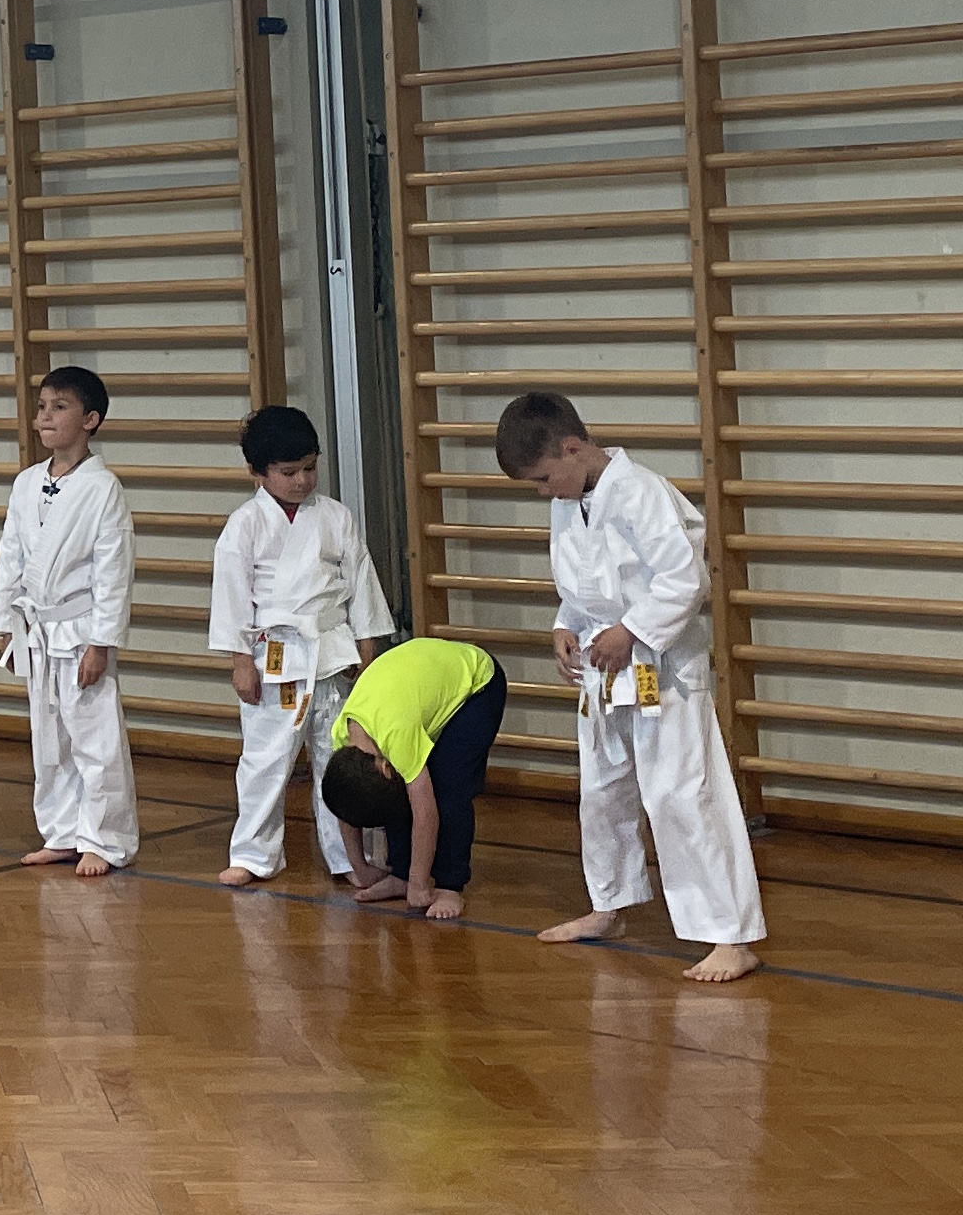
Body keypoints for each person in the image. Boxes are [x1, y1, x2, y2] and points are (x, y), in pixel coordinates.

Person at [497, 391, 769, 984]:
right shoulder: (572, 499)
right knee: (602, 792)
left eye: (545, 478)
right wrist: (564, 626)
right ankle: (609, 905)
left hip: (660, 666)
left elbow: (684, 578)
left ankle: (729, 934)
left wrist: (633, 629)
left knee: (680, 793)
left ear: (574, 448)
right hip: (604, 664)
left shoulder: (641, 491)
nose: (545, 492)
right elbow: (579, 582)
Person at [209, 405, 395, 889]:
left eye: (310, 467)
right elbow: (231, 598)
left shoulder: (335, 516)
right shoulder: (244, 525)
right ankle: (254, 853)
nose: (302, 480)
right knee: (265, 759)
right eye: (288, 472)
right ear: (256, 472)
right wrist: (239, 663)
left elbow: (362, 586)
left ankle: (348, 858)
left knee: (340, 760)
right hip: (275, 657)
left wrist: (368, 652)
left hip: (333, 654)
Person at [0, 364, 134, 877]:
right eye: (42, 406)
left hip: (81, 629)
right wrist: (6, 624)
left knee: (95, 740)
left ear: (91, 419)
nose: (45, 416)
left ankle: (106, 838)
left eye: (60, 407)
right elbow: (11, 556)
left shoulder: (103, 488)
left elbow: (113, 572)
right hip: (37, 629)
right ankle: (62, 831)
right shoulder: (27, 482)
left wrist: (102, 643)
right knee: (48, 737)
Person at [319, 637, 510, 923]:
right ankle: (401, 873)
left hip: (478, 683)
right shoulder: (343, 739)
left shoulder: (396, 735)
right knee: (393, 795)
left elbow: (426, 813)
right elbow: (346, 807)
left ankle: (449, 885)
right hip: (417, 684)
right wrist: (360, 867)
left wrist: (421, 885)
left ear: (384, 767)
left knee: (449, 791)